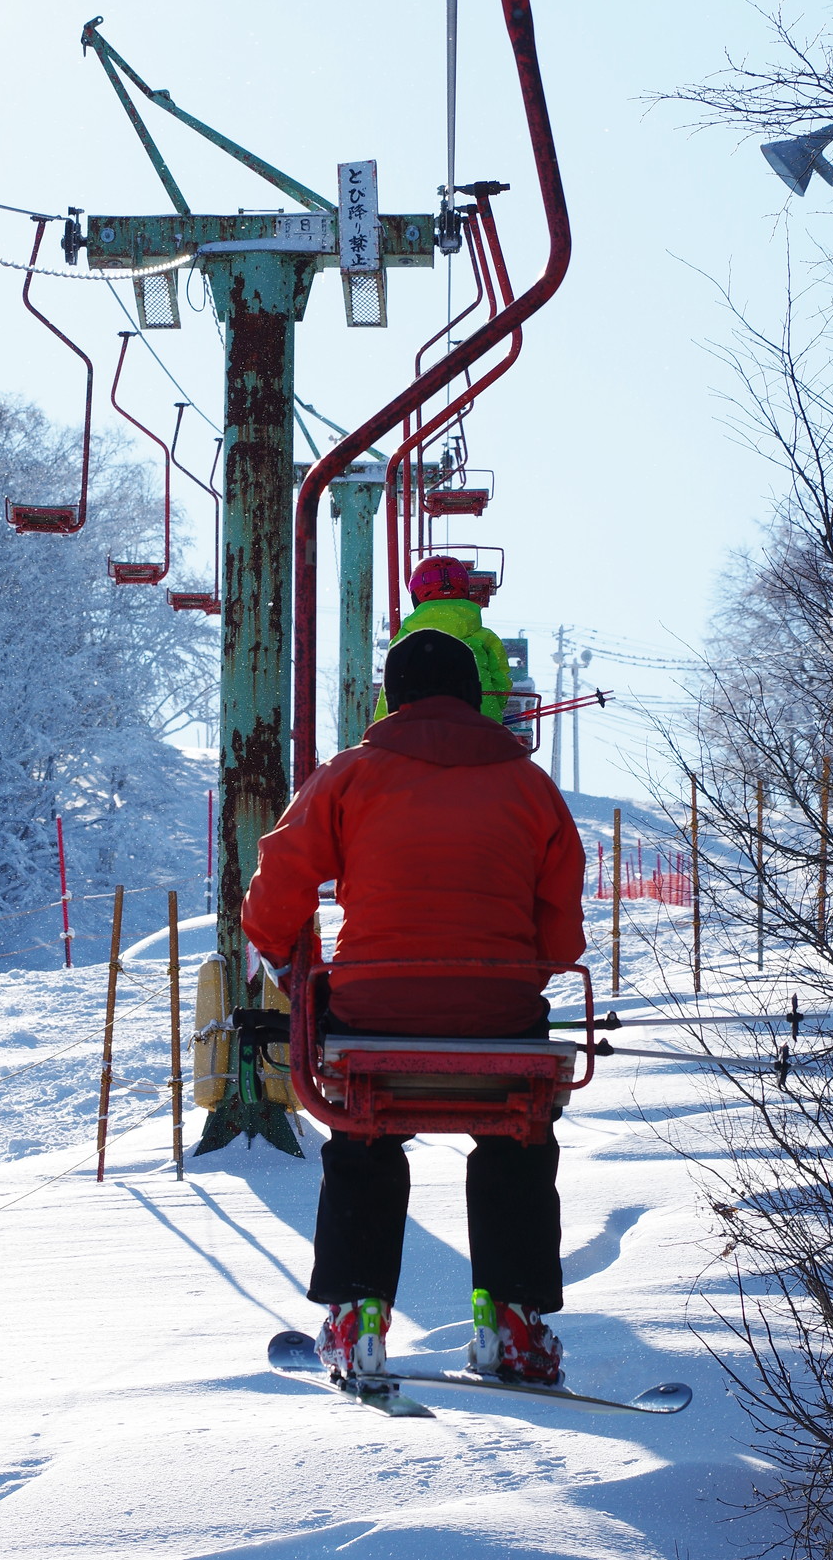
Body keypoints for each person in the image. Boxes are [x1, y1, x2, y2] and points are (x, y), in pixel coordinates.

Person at [241, 628, 585, 1386]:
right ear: (474, 698)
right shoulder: (531, 789)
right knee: (517, 1137)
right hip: (501, 1020)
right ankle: (518, 1321)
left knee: (363, 1135)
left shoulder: (352, 776)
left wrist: (277, 952)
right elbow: (560, 942)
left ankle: (357, 1315)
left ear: (390, 699)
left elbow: (283, 872)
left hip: (375, 1015)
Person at [373, 555, 512, 724]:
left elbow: (389, 692)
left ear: (416, 597)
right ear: (465, 591)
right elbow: (501, 682)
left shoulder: (403, 641)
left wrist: (382, 726)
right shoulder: (485, 637)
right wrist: (492, 710)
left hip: (416, 728)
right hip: (478, 722)